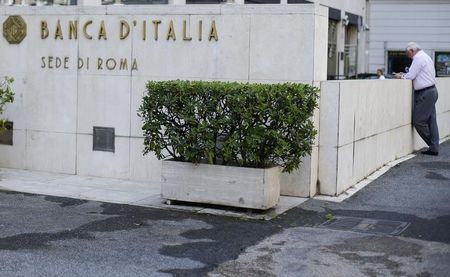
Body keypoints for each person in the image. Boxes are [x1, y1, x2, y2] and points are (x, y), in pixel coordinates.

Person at [394, 42, 439, 156]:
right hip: (431, 90)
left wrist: (400, 76)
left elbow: (410, 76)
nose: (407, 55)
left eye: (407, 53)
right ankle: (434, 147)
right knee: (431, 121)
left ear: (412, 50)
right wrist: (405, 74)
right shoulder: (426, 57)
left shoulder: (418, 58)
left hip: (425, 93)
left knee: (418, 121)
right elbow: (416, 74)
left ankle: (433, 145)